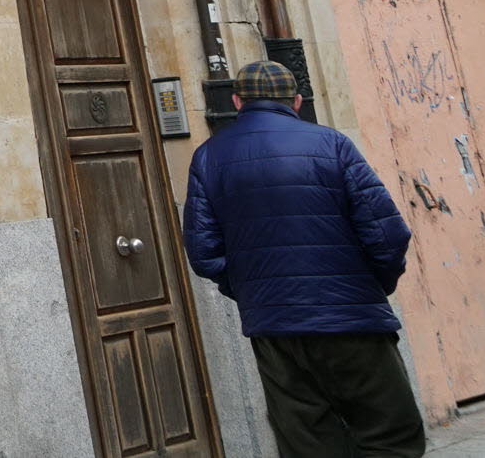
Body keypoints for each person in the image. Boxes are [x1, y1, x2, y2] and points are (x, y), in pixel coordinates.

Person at [182, 59, 425, 458]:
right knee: (389, 435)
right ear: (295, 101)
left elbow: (204, 253)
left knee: (306, 443)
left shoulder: (208, 157)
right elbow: (388, 234)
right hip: (352, 318)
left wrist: (254, 292)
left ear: (238, 101)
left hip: (275, 328)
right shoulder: (332, 145)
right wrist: (373, 285)